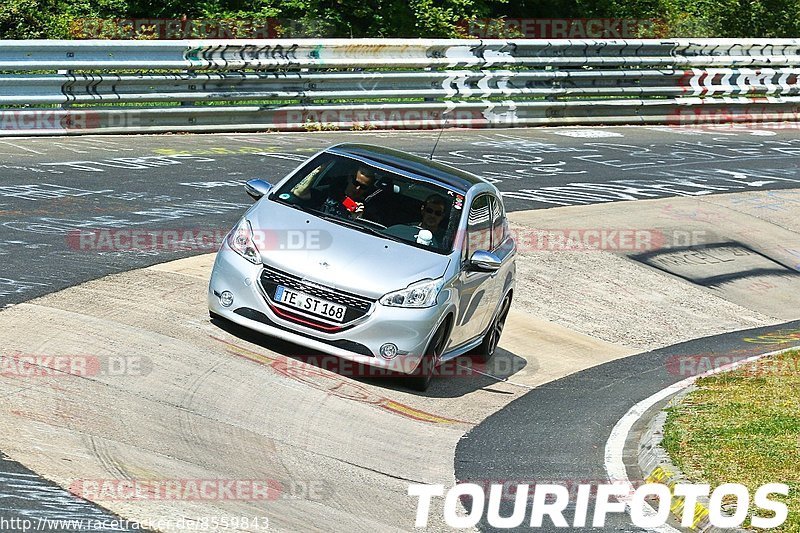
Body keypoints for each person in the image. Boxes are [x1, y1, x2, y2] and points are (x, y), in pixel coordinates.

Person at [291, 165, 376, 219]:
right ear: (349, 178)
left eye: (363, 187)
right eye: (356, 183)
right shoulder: (329, 193)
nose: (357, 188)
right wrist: (318, 171)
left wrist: (358, 217)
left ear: (368, 189)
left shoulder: (365, 208)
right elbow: (299, 192)